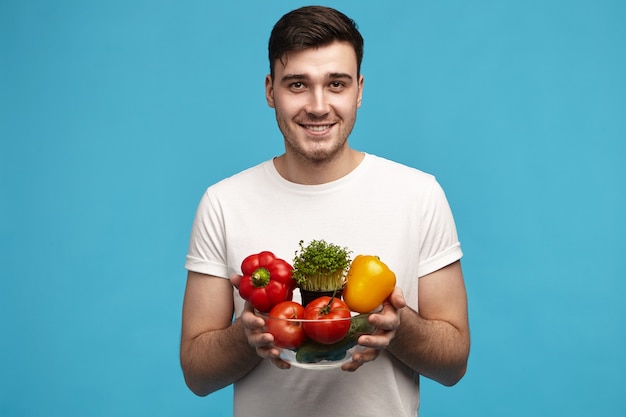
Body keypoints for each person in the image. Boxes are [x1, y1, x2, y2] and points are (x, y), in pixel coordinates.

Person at [180, 6, 470, 417]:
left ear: (359, 91)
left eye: (336, 84)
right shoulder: (223, 202)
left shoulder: (418, 194)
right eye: (297, 84)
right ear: (270, 90)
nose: (318, 106)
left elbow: (454, 362)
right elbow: (196, 373)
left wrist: (400, 328)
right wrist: (244, 338)